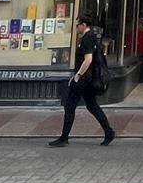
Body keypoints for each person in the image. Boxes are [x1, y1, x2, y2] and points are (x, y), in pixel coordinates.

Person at [49, 11, 115, 147]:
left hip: (84, 79)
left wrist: (77, 76)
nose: (76, 27)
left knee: (70, 105)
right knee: (92, 106)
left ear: (84, 25)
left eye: (78, 25)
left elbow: (88, 59)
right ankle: (108, 131)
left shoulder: (87, 38)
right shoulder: (92, 37)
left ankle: (64, 137)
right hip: (89, 79)